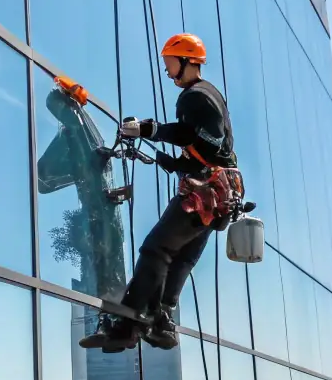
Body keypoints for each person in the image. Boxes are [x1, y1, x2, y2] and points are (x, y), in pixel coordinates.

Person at [80, 33, 240, 353]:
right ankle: (162, 321)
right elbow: (205, 146)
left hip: (207, 190)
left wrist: (148, 129)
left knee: (157, 250)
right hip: (222, 193)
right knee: (182, 257)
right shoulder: (212, 96)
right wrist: (170, 160)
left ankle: (128, 323)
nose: (168, 73)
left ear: (187, 62)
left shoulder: (196, 96)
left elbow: (196, 137)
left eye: (170, 65)